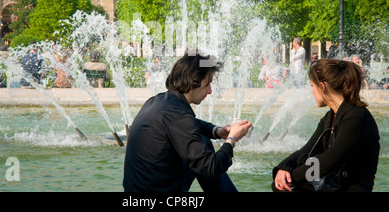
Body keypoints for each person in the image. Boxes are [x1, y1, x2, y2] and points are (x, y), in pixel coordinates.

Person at [123, 51, 252, 192]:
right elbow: (211, 168)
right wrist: (231, 139)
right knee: (206, 152)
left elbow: (192, 123)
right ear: (192, 83)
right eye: (207, 84)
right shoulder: (179, 117)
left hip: (138, 188)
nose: (210, 91)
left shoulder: (158, 101)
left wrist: (217, 131)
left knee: (203, 140)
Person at [272, 59, 380, 192]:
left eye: (312, 85)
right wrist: (283, 168)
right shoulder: (330, 117)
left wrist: (292, 177)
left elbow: (329, 161)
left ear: (322, 86)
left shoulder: (357, 118)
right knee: (279, 187)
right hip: (331, 186)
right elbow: (306, 150)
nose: (312, 91)